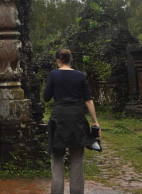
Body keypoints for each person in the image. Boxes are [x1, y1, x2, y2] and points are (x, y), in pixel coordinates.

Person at [43, 49, 100, 194]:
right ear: (70, 60)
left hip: (59, 117)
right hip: (76, 117)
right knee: (76, 157)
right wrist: (95, 122)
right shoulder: (80, 75)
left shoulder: (54, 74)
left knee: (57, 156)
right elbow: (88, 100)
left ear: (58, 61)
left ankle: (57, 191)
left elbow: (46, 97)